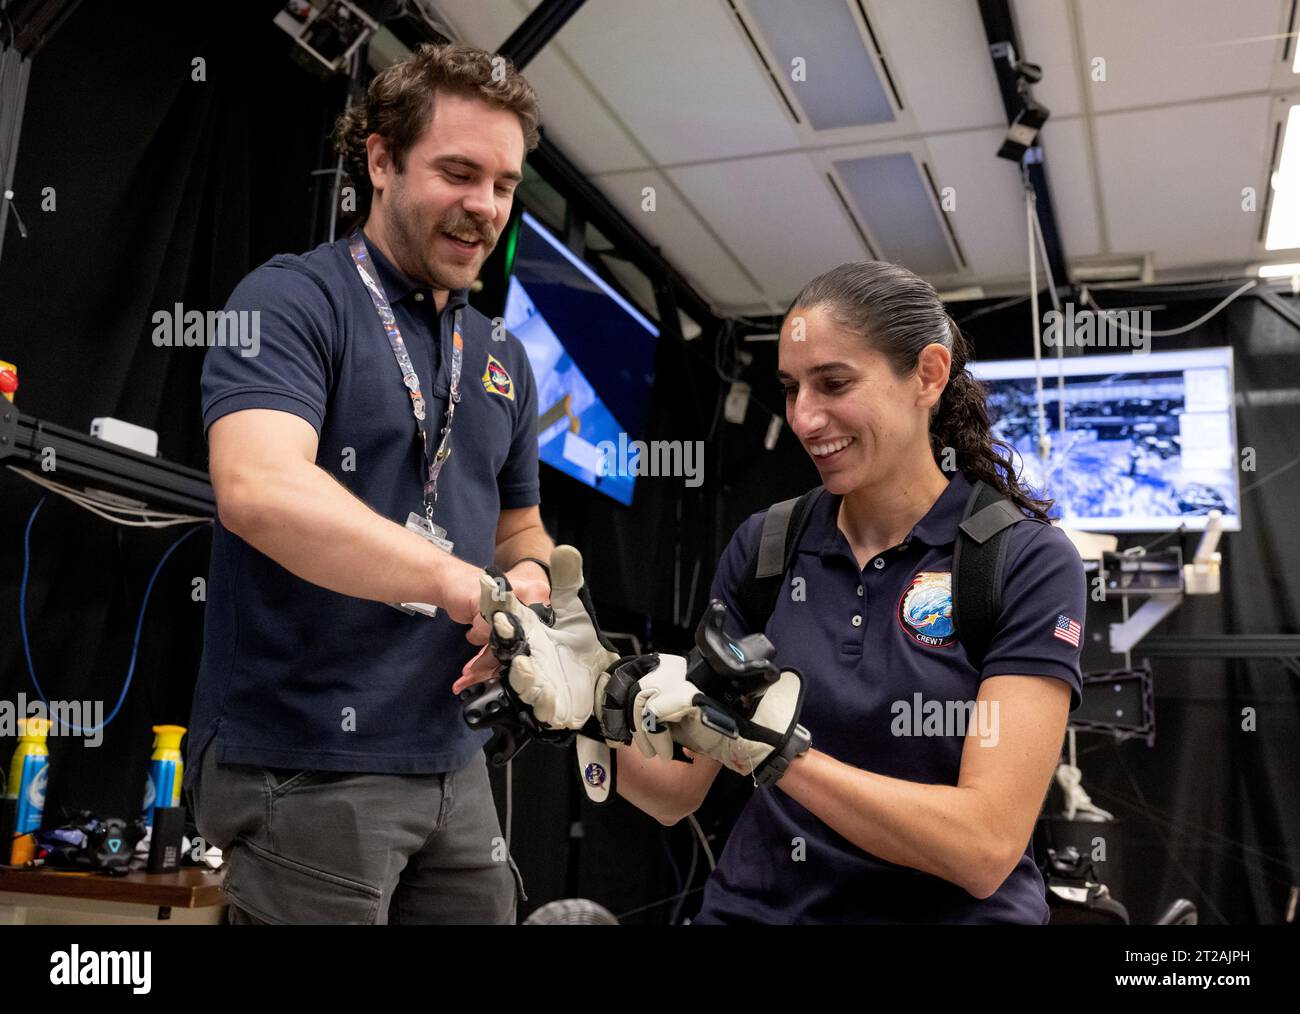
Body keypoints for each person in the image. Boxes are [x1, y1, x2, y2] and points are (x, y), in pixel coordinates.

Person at [463, 260, 1086, 924]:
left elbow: (983, 848)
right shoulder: (770, 545)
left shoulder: (1022, 561)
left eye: (834, 383)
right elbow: (677, 791)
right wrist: (591, 708)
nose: (805, 417)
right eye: (791, 388)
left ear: (928, 375)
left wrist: (779, 755)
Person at [185, 43, 549, 925]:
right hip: (306, 764)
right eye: (458, 172)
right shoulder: (290, 301)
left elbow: (520, 532)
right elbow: (259, 489)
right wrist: (456, 581)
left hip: (458, 767)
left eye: (503, 184)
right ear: (380, 160)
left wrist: (531, 584)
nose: (485, 206)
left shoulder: (502, 357)